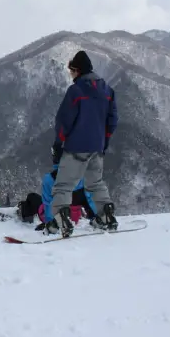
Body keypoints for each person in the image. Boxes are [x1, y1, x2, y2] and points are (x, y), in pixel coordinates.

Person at [50, 50, 119, 237]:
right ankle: (106, 215)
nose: (70, 74)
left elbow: (64, 121)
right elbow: (112, 120)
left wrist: (58, 144)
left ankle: (60, 220)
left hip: (76, 148)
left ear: (77, 70)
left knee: (63, 186)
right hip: (97, 147)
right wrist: (104, 141)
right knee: (95, 183)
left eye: (71, 70)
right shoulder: (107, 90)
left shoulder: (76, 91)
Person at [36, 164, 97, 234]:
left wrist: (49, 221)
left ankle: (55, 223)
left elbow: (48, 203)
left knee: (34, 197)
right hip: (76, 209)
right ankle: (101, 217)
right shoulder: (80, 177)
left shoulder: (50, 178)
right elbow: (89, 198)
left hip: (59, 209)